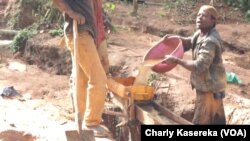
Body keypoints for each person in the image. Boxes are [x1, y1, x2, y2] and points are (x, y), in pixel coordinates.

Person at [52, 0, 110, 137]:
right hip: (79, 33)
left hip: (84, 34)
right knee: (99, 79)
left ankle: (82, 117)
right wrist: (71, 12)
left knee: (82, 79)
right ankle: (92, 122)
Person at [163, 5, 227, 125]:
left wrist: (176, 60)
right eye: (198, 15)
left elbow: (199, 66)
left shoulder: (210, 41)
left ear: (213, 21)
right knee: (217, 121)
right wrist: (176, 39)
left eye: (204, 15)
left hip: (209, 88)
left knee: (200, 122)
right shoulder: (200, 33)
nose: (199, 18)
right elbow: (189, 42)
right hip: (209, 85)